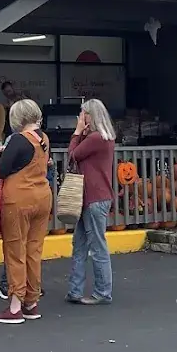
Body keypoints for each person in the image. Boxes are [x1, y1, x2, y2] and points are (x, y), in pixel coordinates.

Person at [0, 98, 52, 325]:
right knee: (34, 251)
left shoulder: (18, 139)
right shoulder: (43, 138)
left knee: (15, 250)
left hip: (18, 199)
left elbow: (3, 170)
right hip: (42, 196)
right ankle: (31, 302)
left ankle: (15, 305)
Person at [65, 98, 116, 305]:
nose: (80, 117)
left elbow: (73, 155)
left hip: (94, 198)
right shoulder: (101, 137)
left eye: (83, 113)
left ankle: (103, 292)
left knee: (96, 247)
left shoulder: (96, 138)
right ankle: (75, 291)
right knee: (80, 244)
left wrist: (77, 132)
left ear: (90, 116)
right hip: (91, 197)